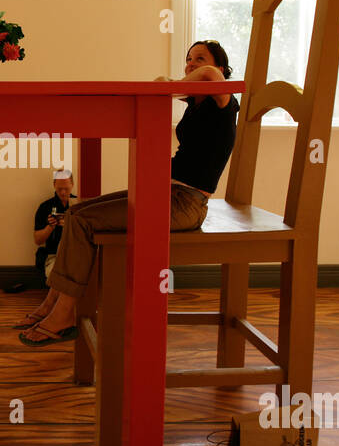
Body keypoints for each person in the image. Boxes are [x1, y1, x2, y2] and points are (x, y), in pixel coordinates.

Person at [14, 41, 238, 345]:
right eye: (188, 60)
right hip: (165, 193)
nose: (192, 64)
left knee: (82, 222)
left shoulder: (224, 102)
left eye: (199, 58)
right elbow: (182, 81)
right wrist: (170, 86)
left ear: (223, 70)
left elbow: (210, 75)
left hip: (186, 203)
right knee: (75, 213)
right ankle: (51, 304)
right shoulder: (194, 106)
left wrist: (169, 84)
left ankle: (65, 313)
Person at [32, 169, 76, 286]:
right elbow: (38, 240)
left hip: (76, 254)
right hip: (54, 255)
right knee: (54, 276)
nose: (62, 192)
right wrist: (50, 227)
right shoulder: (45, 207)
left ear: (72, 185)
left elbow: (89, 234)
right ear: (54, 185)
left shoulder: (79, 205)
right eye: (59, 189)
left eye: (66, 189)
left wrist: (69, 226)